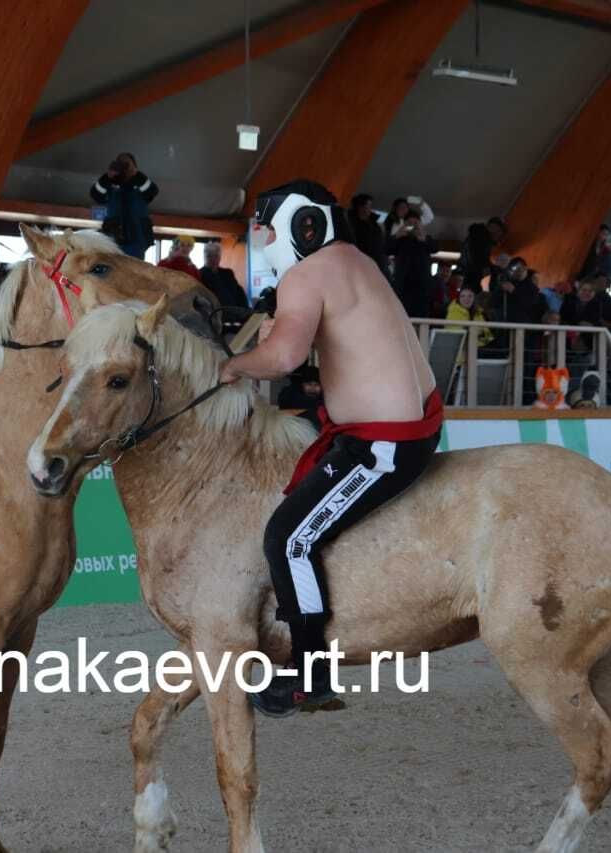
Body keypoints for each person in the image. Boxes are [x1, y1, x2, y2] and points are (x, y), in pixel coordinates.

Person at [218, 179, 442, 717]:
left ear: (301, 225)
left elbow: (283, 359)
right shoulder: (355, 261)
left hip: (383, 443)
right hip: (406, 427)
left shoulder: (307, 272)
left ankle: (308, 675)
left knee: (288, 537)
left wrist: (229, 365)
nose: (266, 240)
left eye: (269, 229)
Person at [91, 152, 157, 258]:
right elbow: (96, 194)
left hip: (138, 235)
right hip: (113, 237)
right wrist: (107, 176)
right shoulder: (110, 184)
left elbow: (152, 191)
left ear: (134, 166)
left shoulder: (140, 182)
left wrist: (135, 174)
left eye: (127, 164)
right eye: (120, 164)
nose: (124, 167)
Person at [199, 241, 248, 311]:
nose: (213, 259)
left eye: (216, 256)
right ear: (204, 257)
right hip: (212, 313)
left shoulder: (228, 273)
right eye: (209, 256)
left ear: (220, 257)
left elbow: (238, 293)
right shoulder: (199, 274)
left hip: (232, 312)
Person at [347, 193, 387, 274]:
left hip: (377, 261)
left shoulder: (374, 223)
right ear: (360, 207)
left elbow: (380, 241)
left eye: (370, 206)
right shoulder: (351, 222)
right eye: (367, 206)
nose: (369, 209)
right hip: (358, 260)